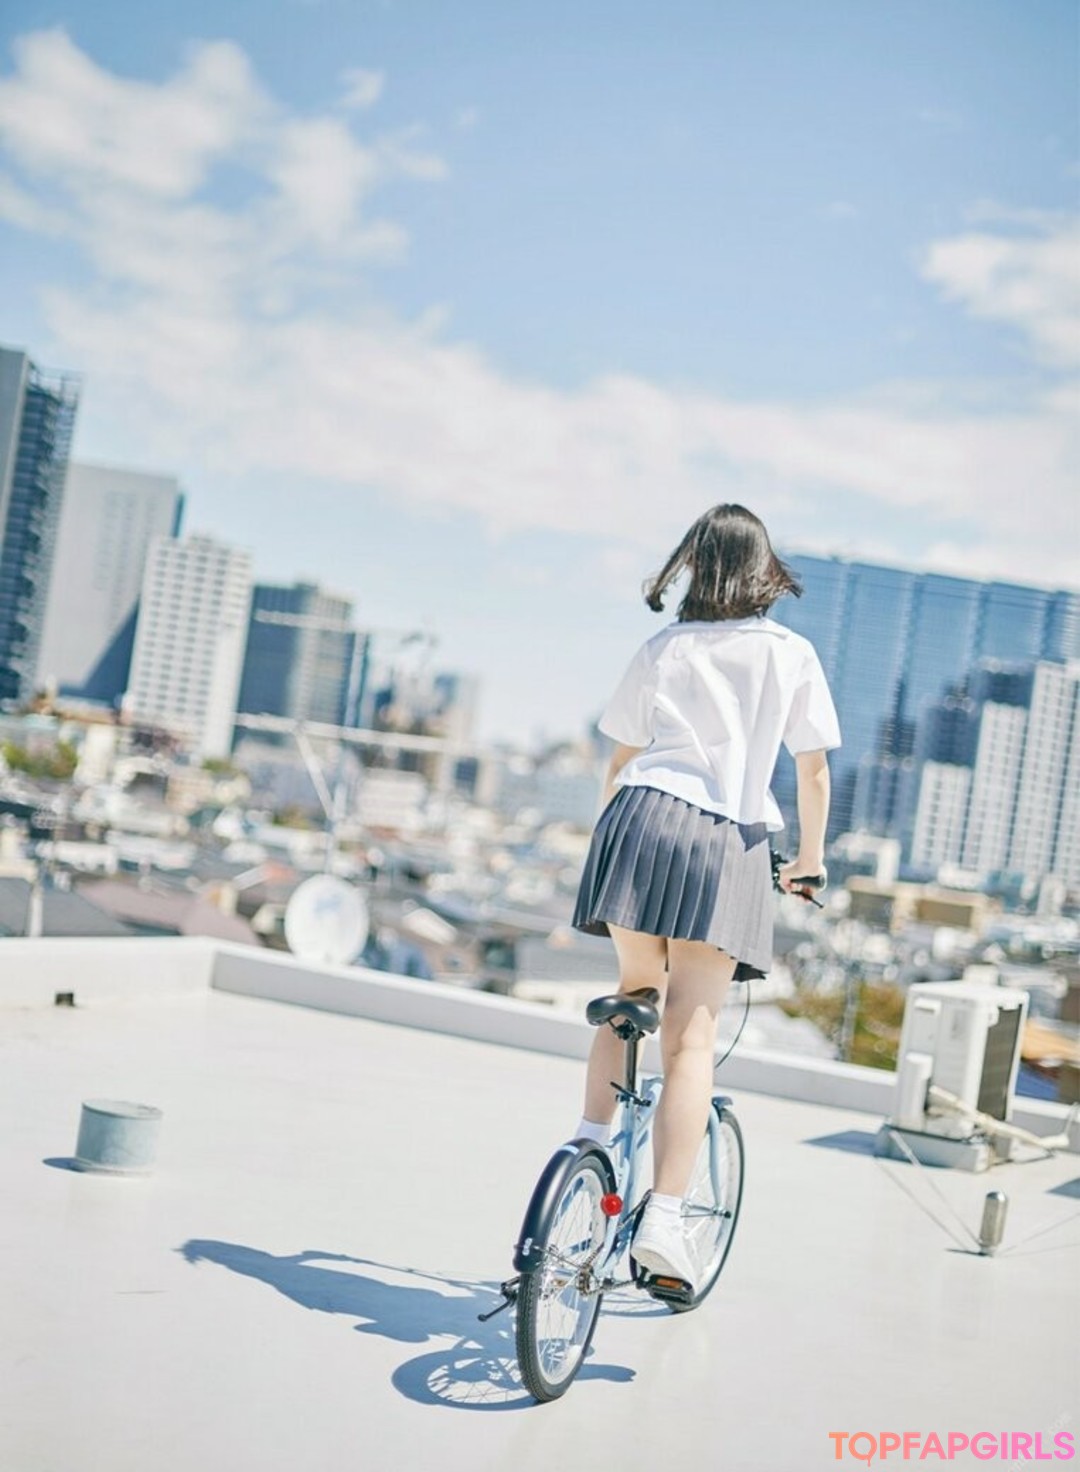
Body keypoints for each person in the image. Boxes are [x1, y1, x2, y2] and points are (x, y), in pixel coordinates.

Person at [570, 503, 841, 1290]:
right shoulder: (789, 653)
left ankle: (587, 1151)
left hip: (636, 821)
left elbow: (618, 759)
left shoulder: (664, 646)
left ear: (694, 566)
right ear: (765, 570)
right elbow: (813, 770)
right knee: (690, 1040)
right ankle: (664, 1218)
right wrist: (811, 860)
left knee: (632, 996)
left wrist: (614, 837)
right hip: (724, 839)